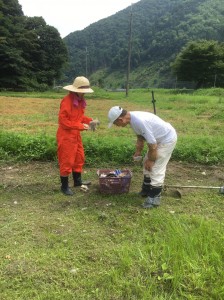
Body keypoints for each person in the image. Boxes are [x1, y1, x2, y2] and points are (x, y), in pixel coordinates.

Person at [108, 106, 177, 208]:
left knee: (156, 167)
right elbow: (140, 137)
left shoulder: (140, 121)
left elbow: (152, 145)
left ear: (120, 119)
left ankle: (154, 199)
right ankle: (146, 190)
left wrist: (151, 159)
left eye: (115, 123)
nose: (116, 125)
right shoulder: (132, 119)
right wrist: (138, 151)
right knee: (146, 163)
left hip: (166, 139)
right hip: (157, 139)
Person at [57, 76, 99, 196]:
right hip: (66, 136)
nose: (84, 94)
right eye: (83, 92)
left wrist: (90, 121)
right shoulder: (67, 101)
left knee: (79, 157)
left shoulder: (79, 101)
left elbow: (80, 118)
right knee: (67, 160)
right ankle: (64, 186)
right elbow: (63, 122)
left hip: (75, 134)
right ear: (76, 91)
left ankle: (77, 181)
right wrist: (81, 126)